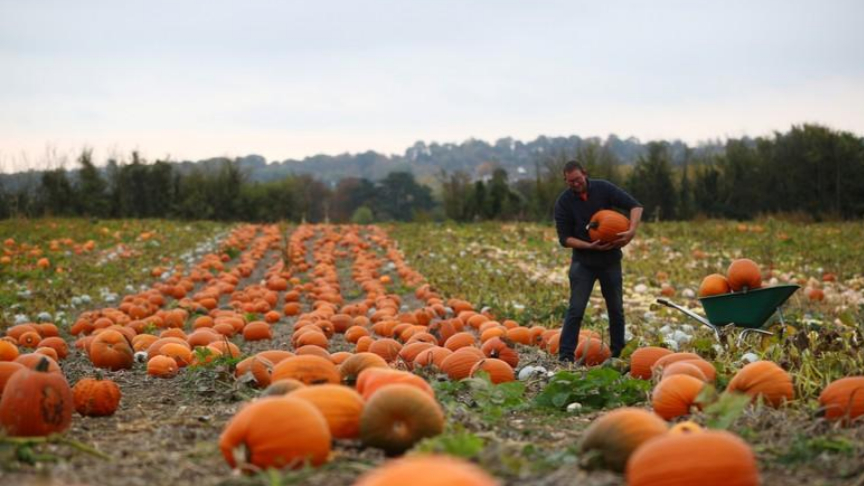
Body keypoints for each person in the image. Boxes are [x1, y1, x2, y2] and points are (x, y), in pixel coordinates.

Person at [554, 160, 643, 363]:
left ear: (584, 173)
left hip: (610, 260)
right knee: (576, 309)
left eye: (577, 179)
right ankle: (565, 356)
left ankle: (617, 354)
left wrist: (631, 231)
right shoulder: (564, 202)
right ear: (565, 181)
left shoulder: (603, 188)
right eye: (570, 182)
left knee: (615, 309)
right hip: (583, 263)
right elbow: (564, 238)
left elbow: (635, 206)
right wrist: (589, 246)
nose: (575, 184)